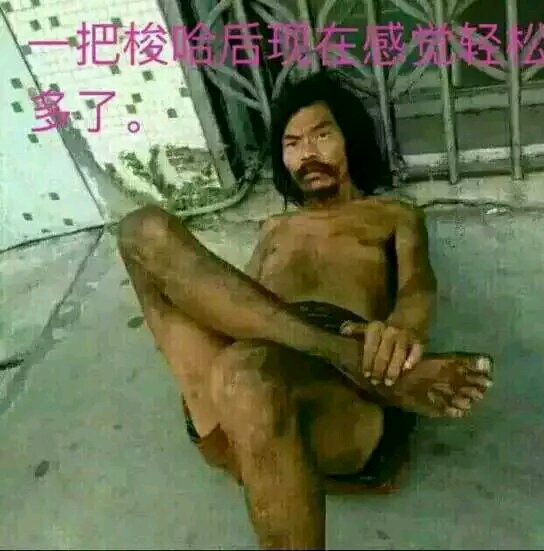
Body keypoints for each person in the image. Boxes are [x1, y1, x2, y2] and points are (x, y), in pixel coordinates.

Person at [117, 70, 493, 550]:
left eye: (321, 135)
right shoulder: (274, 227)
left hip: (326, 397)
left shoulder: (392, 215)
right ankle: (340, 353)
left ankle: (343, 358)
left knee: (246, 373)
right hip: (243, 385)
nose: (307, 153)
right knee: (141, 230)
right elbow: (235, 302)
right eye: (292, 144)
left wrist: (402, 334)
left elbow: (417, 285)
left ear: (350, 139)